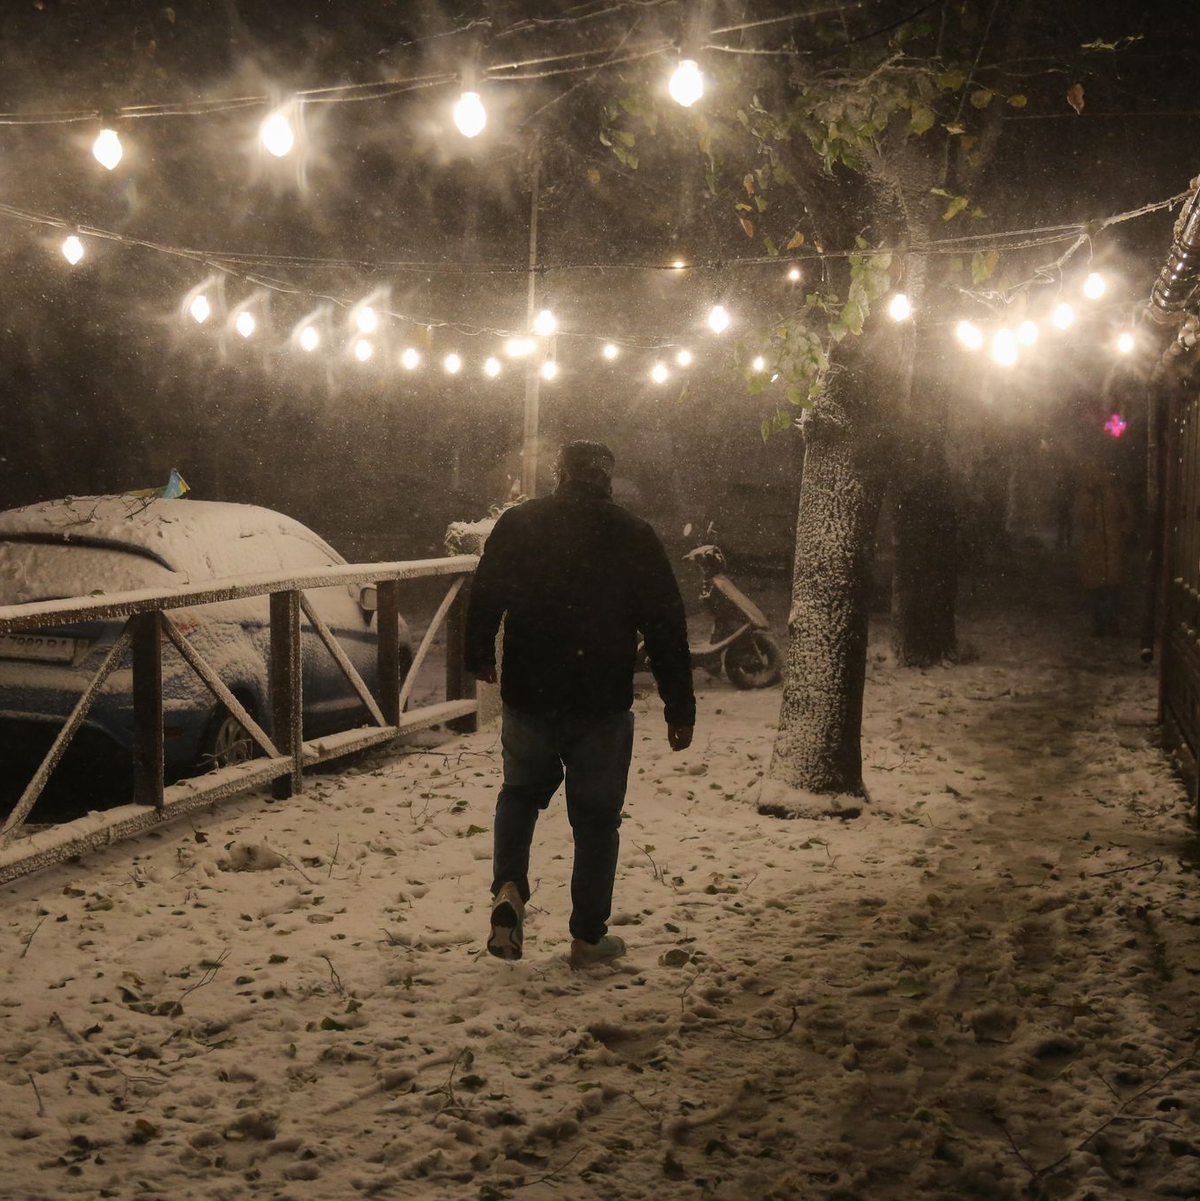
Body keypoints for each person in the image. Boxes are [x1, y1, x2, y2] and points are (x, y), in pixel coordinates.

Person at [465, 440, 695, 967]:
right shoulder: (634, 535)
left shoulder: (522, 524)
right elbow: (666, 625)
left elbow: (487, 591)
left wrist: (479, 653)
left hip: (530, 692)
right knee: (596, 822)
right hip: (601, 700)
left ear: (559, 475)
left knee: (520, 794)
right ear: (606, 481)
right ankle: (588, 937)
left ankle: (509, 889)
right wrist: (679, 707)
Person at [1073, 456, 1131, 636]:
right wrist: (1089, 498)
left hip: (1114, 547)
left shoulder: (1115, 492)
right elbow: (1081, 518)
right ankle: (1098, 625)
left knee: (1113, 590)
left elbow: (1129, 514)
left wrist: (1123, 532)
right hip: (1094, 549)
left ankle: (1113, 624)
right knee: (1096, 590)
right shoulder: (1085, 494)